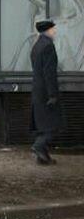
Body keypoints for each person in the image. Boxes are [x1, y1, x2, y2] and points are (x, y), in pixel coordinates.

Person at [31, 19, 64, 164]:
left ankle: (43, 158)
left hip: (37, 90)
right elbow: (49, 72)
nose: (55, 31)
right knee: (53, 125)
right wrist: (52, 94)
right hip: (46, 91)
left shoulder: (37, 46)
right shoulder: (48, 46)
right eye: (53, 29)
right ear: (48, 31)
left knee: (43, 125)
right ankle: (38, 146)